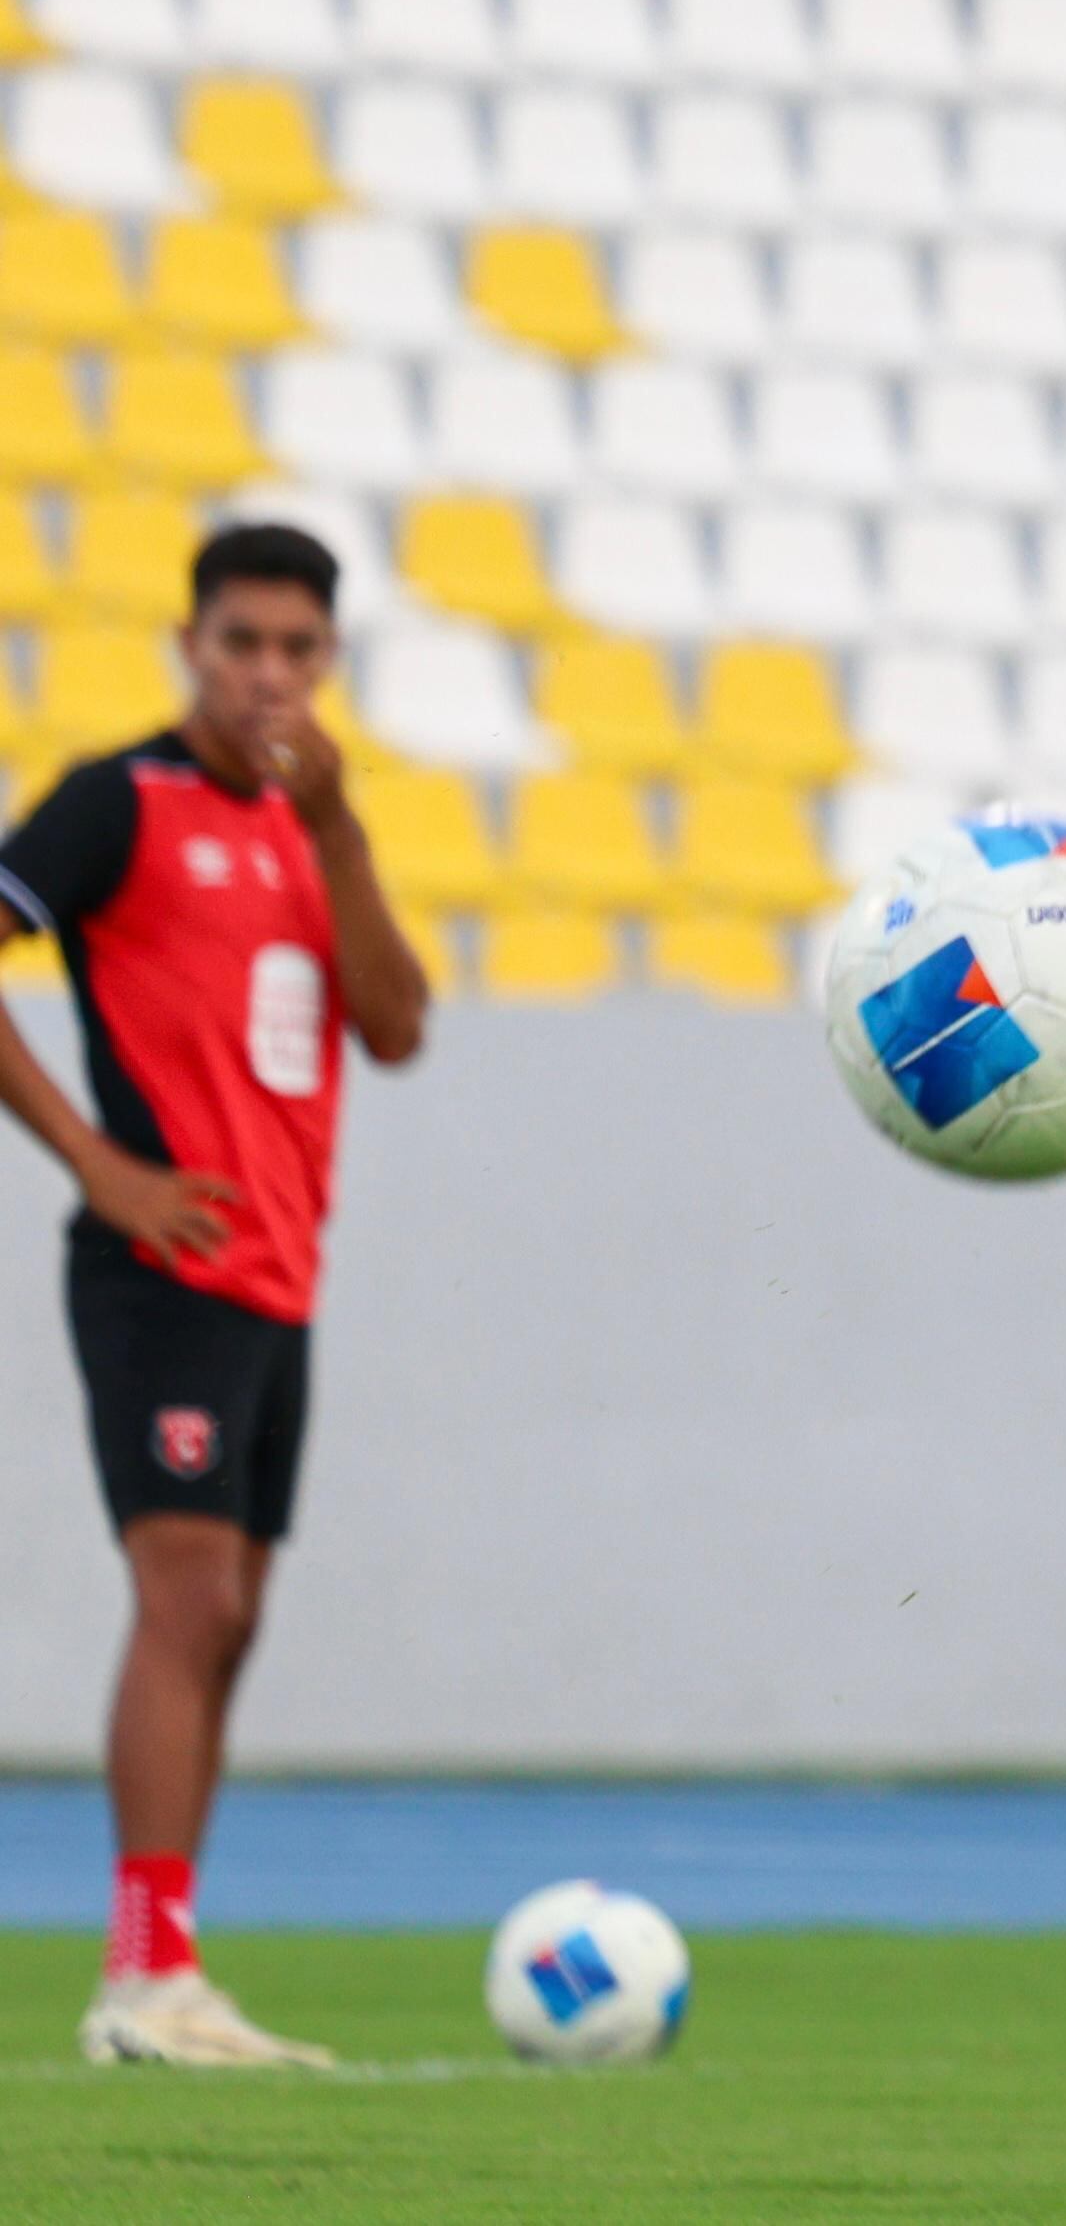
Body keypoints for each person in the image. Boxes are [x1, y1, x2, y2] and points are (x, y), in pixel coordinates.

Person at [0, 524, 430, 2067]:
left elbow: (397, 1026)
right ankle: (142, 1974)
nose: (268, 672)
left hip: (277, 1273)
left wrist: (344, 833)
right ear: (191, 644)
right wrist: (98, 1162)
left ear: (329, 660)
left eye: (296, 647)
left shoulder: (316, 828)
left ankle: (167, 1965)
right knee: (187, 1599)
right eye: (241, 641)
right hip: (161, 1263)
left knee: (231, 1617)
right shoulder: (119, 798)